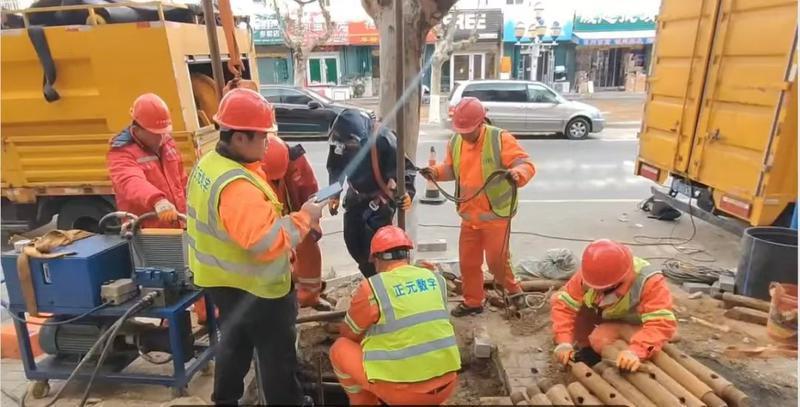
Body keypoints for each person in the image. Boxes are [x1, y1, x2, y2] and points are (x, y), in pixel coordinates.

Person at [186, 88, 326, 405]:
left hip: (221, 282)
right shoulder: (237, 186)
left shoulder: (209, 164)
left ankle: (225, 400)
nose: (267, 143)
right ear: (239, 138)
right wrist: (305, 217)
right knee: (276, 358)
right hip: (260, 290)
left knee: (233, 344)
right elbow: (265, 241)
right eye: (262, 136)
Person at [420, 97, 536, 317]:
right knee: (468, 263)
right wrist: (435, 172)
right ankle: (473, 301)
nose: (464, 134)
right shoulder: (455, 141)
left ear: (481, 123)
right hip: (469, 216)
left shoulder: (499, 138)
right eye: (460, 130)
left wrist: (517, 174)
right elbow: (451, 170)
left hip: (495, 215)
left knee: (497, 261)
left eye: (468, 130)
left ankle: (514, 291)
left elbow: (525, 164)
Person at [329, 225, 460, 405]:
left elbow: (349, 333)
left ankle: (365, 402)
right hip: (447, 385)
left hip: (403, 395)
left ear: (377, 259)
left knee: (339, 348)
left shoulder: (373, 287)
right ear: (407, 255)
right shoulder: (436, 279)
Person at [550, 239, 677, 372]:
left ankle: (614, 348)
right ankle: (587, 349)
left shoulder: (650, 282)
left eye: (603, 288)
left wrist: (636, 351)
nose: (596, 290)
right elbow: (564, 305)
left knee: (601, 338)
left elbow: (660, 324)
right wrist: (564, 341)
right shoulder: (591, 273)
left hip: (639, 325)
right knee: (559, 299)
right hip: (608, 314)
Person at [326, 109, 416, 278]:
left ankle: (380, 280)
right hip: (356, 196)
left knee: (377, 247)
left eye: (352, 145)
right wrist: (334, 194)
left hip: (379, 201)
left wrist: (408, 193)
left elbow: (406, 171)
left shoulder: (384, 140)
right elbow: (336, 168)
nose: (348, 148)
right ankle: (369, 277)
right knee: (353, 241)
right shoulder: (339, 142)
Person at [262, 134, 330, 310]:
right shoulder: (251, 174)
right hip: (272, 223)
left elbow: (309, 188)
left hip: (297, 214)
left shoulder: (295, 160)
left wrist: (311, 219)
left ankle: (310, 295)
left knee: (308, 251)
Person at [107, 93, 186, 228]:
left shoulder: (168, 143)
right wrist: (157, 201)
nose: (161, 138)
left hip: (179, 227)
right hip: (149, 233)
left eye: (163, 132)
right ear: (137, 130)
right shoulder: (121, 153)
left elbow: (182, 181)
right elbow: (131, 182)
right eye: (155, 134)